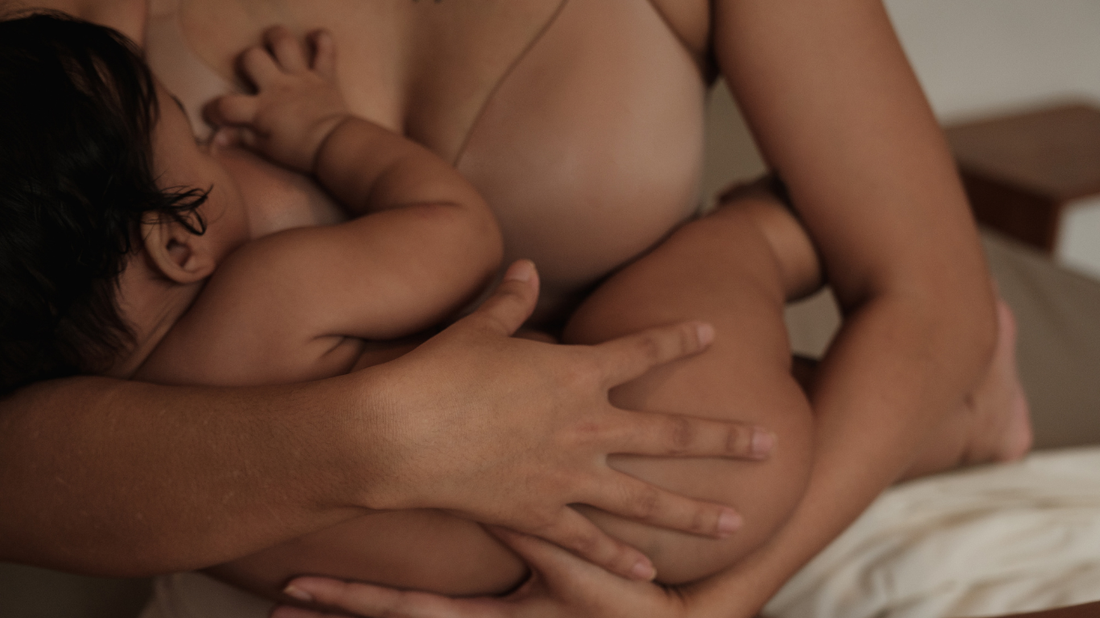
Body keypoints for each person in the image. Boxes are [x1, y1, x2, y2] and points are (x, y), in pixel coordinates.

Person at [0, 1, 1034, 616]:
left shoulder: (194, 340)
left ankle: (943, 412)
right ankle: (772, 239)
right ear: (175, 244)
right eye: (187, 123)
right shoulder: (68, 73)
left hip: (592, 506)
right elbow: (456, 234)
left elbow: (927, 295)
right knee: (716, 274)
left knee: (951, 332)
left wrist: (686, 614)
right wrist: (393, 437)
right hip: (651, 451)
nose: (200, 134)